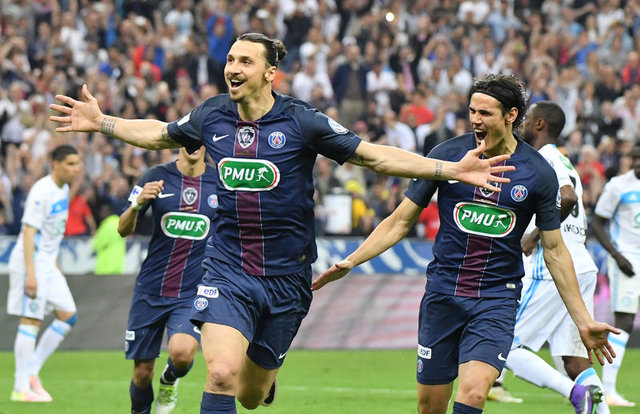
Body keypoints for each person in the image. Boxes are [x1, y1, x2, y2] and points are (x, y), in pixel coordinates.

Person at [49, 33, 515, 413]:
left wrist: (447, 170)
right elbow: (159, 134)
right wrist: (103, 121)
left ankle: (264, 377)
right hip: (227, 269)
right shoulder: (212, 114)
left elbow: (373, 156)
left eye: (245, 61)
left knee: (250, 396)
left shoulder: (301, 121)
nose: (232, 68)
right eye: (230, 59)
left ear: (270, 72)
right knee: (221, 375)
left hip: (287, 278)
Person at [312, 74, 618, 414]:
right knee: (430, 407)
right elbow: (400, 221)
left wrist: (583, 320)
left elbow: (556, 251)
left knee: (473, 393)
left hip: (496, 298)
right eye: (472, 111)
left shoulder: (538, 172)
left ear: (511, 115)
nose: (475, 120)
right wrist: (353, 260)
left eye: (485, 113)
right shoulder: (448, 155)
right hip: (443, 294)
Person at [487, 101, 611, 414]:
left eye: (527, 118)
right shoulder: (564, 160)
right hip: (580, 262)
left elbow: (567, 198)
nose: (522, 123)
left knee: (502, 345)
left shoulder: (546, 156)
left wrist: (534, 234)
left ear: (540, 124)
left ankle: (574, 393)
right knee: (574, 359)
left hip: (554, 264)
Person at [118, 146, 218, 414]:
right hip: (151, 288)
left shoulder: (219, 181)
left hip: (192, 291)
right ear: (178, 142)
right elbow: (123, 229)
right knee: (142, 373)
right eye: (187, 140)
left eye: (198, 140)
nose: (193, 145)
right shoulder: (155, 176)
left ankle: (169, 379)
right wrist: (137, 205)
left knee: (182, 354)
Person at [6, 145, 82, 402]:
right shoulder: (42, 191)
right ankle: (20, 388)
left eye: (77, 163)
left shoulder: (63, 189)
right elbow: (29, 233)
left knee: (68, 315)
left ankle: (32, 370)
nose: (76, 169)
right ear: (55, 164)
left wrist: (55, 266)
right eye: (70, 163)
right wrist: (31, 273)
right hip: (32, 263)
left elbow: (53, 234)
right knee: (31, 320)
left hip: (49, 264)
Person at [590, 141, 640, 408]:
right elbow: (597, 223)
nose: (638, 163)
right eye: (635, 157)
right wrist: (617, 256)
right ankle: (608, 389)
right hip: (627, 260)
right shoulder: (619, 186)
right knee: (625, 321)